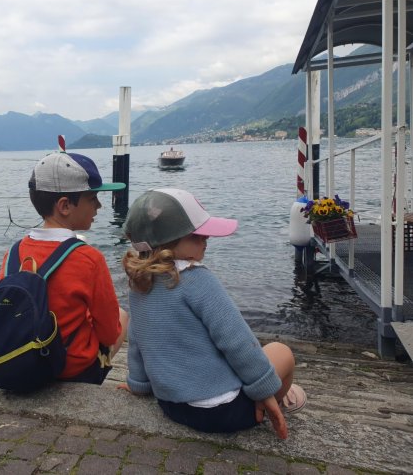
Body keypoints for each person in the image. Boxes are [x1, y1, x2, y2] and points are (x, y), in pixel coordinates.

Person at [120, 188, 306, 439]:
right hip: (225, 412)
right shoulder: (197, 279)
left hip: (173, 406)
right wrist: (263, 388)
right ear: (168, 243)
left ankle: (266, 389)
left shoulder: (139, 283)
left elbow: (138, 341)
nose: (206, 239)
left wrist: (139, 385)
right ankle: (276, 398)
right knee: (281, 352)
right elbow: (237, 341)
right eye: (196, 236)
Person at [0, 149, 129, 384]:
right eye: (93, 198)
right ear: (65, 205)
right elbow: (109, 333)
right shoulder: (89, 259)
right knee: (122, 315)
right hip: (73, 370)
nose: (99, 206)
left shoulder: (13, 253)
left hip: (23, 361)